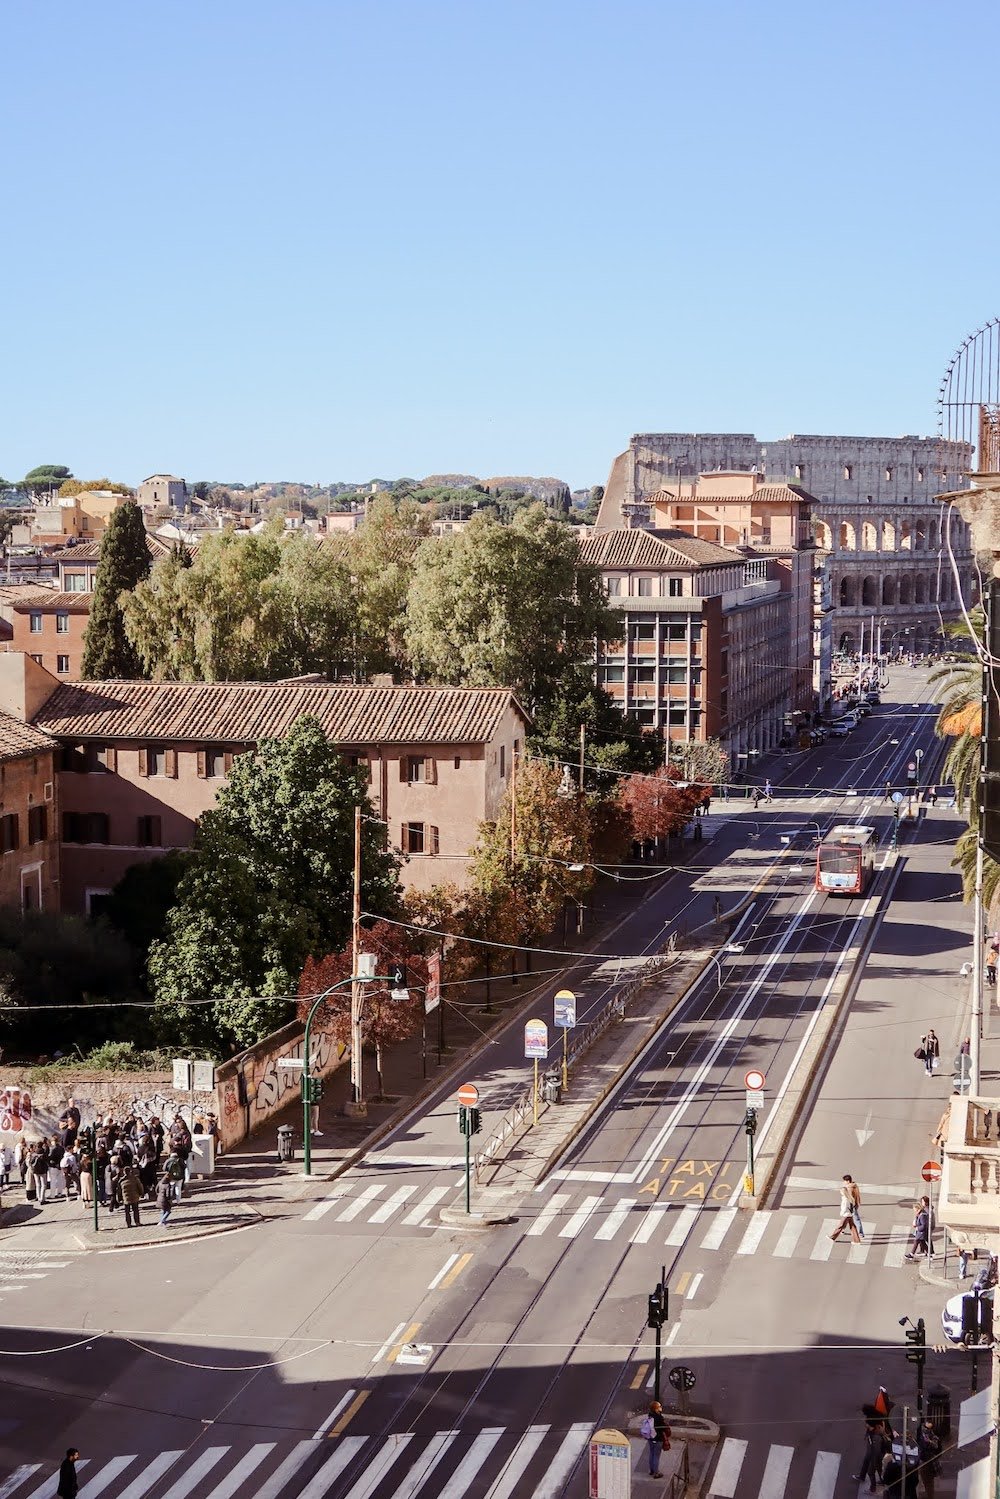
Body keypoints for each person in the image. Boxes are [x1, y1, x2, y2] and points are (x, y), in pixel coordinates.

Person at [641, 1399, 670, 1477]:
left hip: (651, 1438)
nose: (661, 1407)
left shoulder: (650, 1415)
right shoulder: (659, 1418)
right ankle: (656, 1473)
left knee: (652, 1454)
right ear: (656, 1408)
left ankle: (651, 1470)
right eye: (659, 1406)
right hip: (658, 1439)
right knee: (656, 1456)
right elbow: (662, 1428)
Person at [830, 1174, 862, 1243]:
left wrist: (842, 1213)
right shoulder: (854, 1187)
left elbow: (845, 1207)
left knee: (840, 1226)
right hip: (850, 1211)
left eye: (844, 1181)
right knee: (852, 1227)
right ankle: (856, 1240)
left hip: (847, 1213)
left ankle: (833, 1237)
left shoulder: (847, 1193)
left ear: (847, 1181)